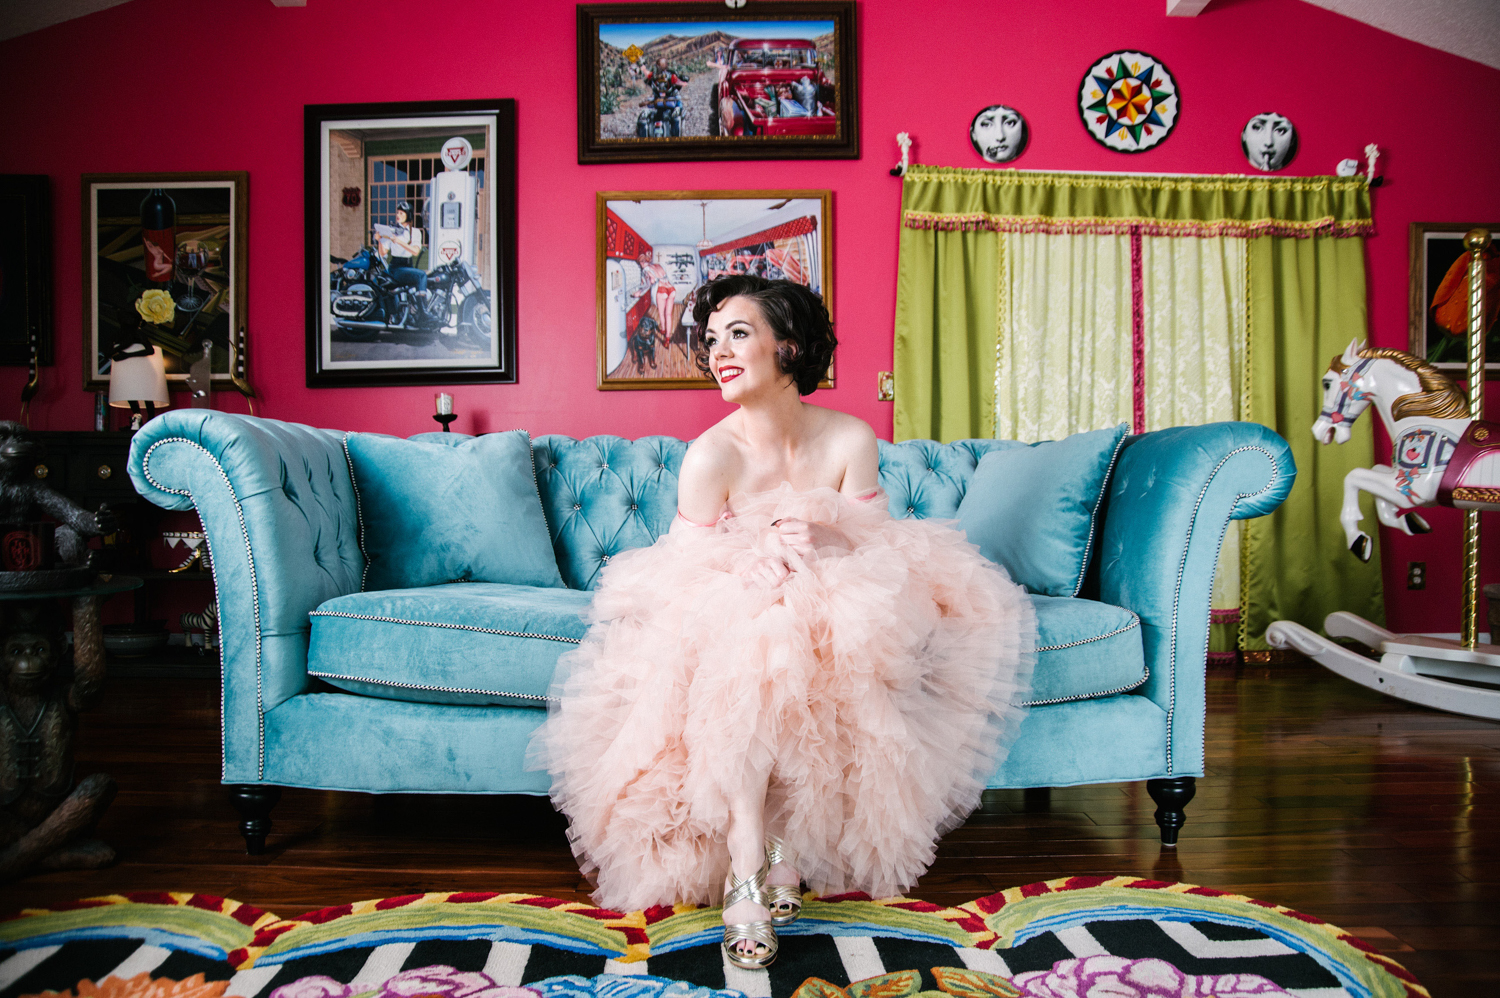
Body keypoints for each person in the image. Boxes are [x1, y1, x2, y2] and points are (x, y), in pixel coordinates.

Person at [530, 275, 1034, 970]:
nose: (718, 352)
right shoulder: (713, 453)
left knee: (827, 620)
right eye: (711, 340)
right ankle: (748, 859)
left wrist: (826, 541)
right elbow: (688, 555)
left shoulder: (849, 437)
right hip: (730, 583)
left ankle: (783, 853)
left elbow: (876, 540)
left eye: (738, 333)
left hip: (835, 579)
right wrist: (749, 562)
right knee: (760, 632)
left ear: (788, 346)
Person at [376, 201, 426, 294]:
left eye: (401, 213)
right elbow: (383, 253)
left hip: (408, 266)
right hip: (396, 267)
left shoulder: (415, 232)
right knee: (422, 275)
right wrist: (379, 240)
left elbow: (415, 252)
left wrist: (399, 242)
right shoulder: (391, 231)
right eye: (397, 212)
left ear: (408, 215)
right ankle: (422, 308)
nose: (398, 215)